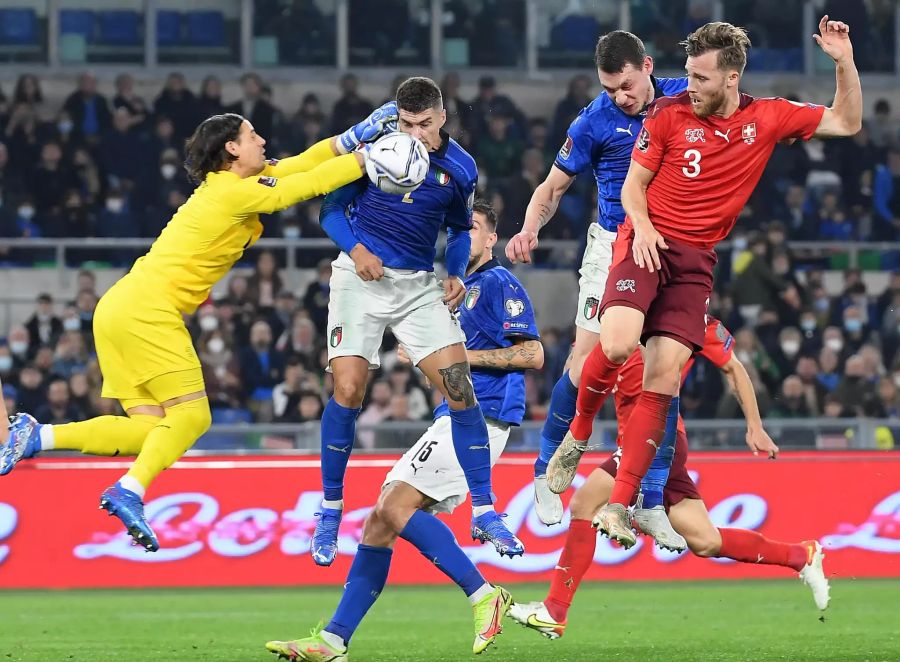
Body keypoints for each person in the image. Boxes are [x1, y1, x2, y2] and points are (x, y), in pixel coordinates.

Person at [0, 108, 390, 551]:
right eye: (252, 134)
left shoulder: (235, 186)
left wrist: (354, 136)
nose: (262, 140)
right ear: (231, 149)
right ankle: (129, 490)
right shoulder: (230, 194)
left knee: (153, 433)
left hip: (121, 307)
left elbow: (303, 163)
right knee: (194, 417)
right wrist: (372, 157)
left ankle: (39, 435)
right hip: (149, 309)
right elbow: (304, 187)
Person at [549, 17, 862, 547]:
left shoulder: (767, 118)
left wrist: (843, 61)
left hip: (695, 263)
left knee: (664, 378)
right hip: (644, 241)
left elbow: (847, 122)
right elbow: (633, 187)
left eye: (700, 77)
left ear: (733, 76)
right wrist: (644, 227)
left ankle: (621, 504)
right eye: (688, 74)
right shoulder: (667, 115)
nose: (688, 86)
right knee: (620, 344)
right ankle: (577, 436)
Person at [266, 200, 543, 660]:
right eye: (460, 229)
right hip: (449, 418)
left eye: (474, 228)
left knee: (392, 505)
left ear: (492, 238)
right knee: (378, 522)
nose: (466, 235)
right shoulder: (451, 290)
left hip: (484, 418)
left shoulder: (498, 283)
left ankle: (484, 595)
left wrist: (455, 359)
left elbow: (532, 354)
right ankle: (333, 640)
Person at [508, 318, 830, 639]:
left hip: (660, 440)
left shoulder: (685, 317)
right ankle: (801, 555)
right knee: (706, 541)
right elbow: (578, 372)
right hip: (636, 444)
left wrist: (755, 426)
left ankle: (554, 610)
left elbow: (734, 368)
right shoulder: (616, 317)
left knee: (584, 503)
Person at [314, 77, 522, 567]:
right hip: (358, 276)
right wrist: (358, 249)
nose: (414, 134)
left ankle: (486, 509)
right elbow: (330, 210)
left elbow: (455, 228)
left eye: (424, 124)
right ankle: (329, 510)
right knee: (348, 390)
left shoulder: (461, 168)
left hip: (416, 284)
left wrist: (453, 273)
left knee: (459, 388)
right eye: (406, 123)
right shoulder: (374, 146)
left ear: (442, 117)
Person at [504, 30, 687, 525]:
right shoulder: (592, 122)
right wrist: (528, 228)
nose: (619, 98)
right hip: (612, 247)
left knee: (661, 374)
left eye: (625, 86)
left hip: (670, 249)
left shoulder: (684, 97)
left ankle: (649, 500)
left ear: (647, 67)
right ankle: (545, 473)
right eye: (610, 90)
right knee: (586, 365)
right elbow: (552, 186)